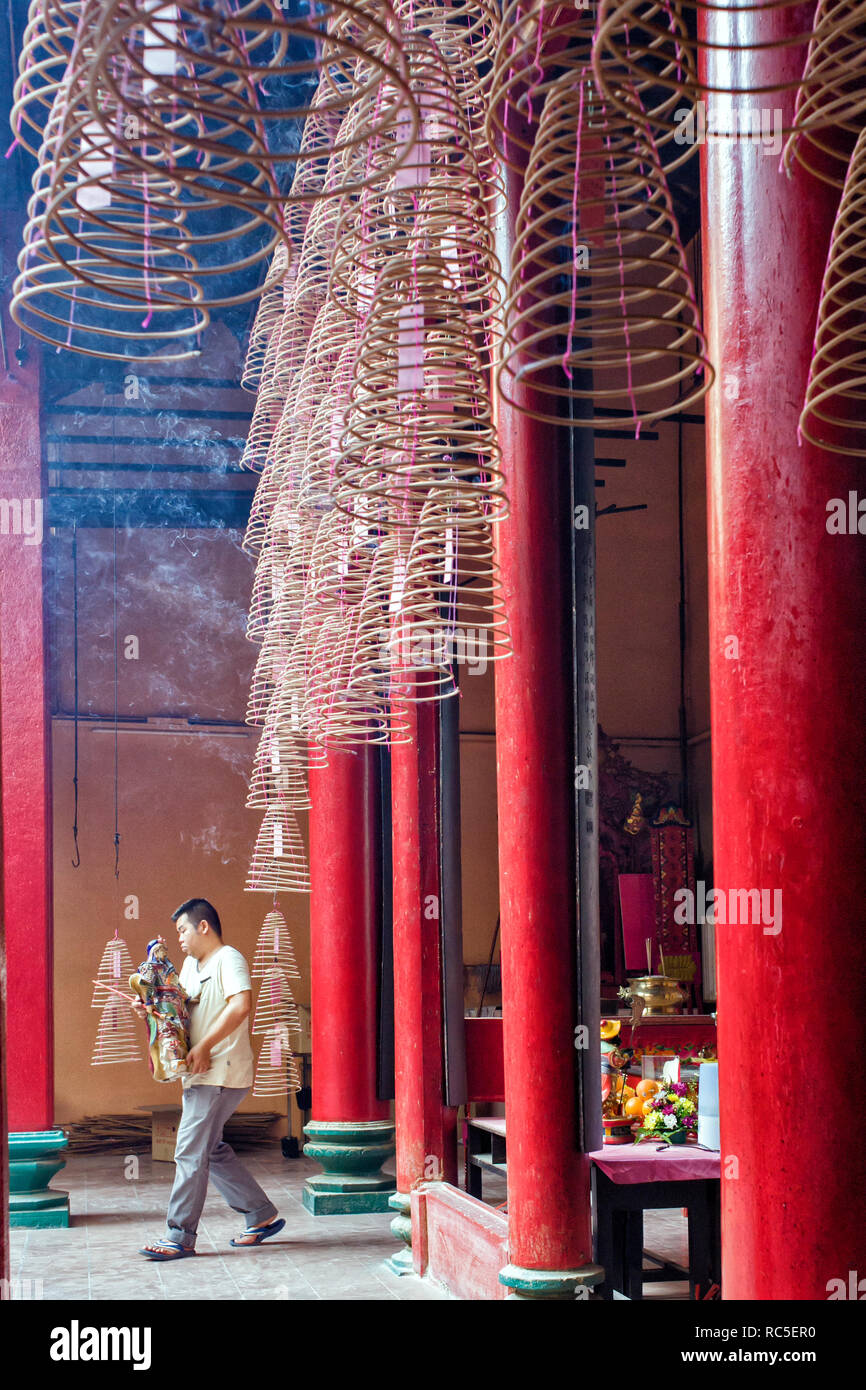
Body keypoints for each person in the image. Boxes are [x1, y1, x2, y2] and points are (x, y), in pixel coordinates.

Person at [137, 898, 284, 1260]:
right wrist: (150, 1007)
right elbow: (179, 1010)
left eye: (183, 930)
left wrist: (203, 1046)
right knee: (211, 1150)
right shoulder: (189, 965)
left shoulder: (228, 959)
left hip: (219, 1072)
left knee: (189, 1150)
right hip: (201, 1073)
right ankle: (260, 1216)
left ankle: (179, 1236)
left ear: (204, 926)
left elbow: (240, 1006)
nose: (180, 939)